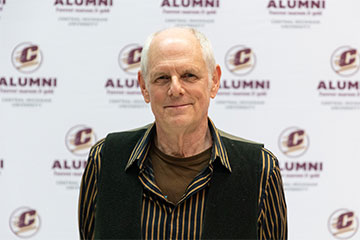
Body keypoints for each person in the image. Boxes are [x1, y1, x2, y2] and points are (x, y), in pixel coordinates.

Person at [78, 27, 287, 240]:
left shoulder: (260, 169)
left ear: (214, 81)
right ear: (144, 86)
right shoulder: (105, 160)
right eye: (162, 77)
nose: (175, 89)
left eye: (189, 75)